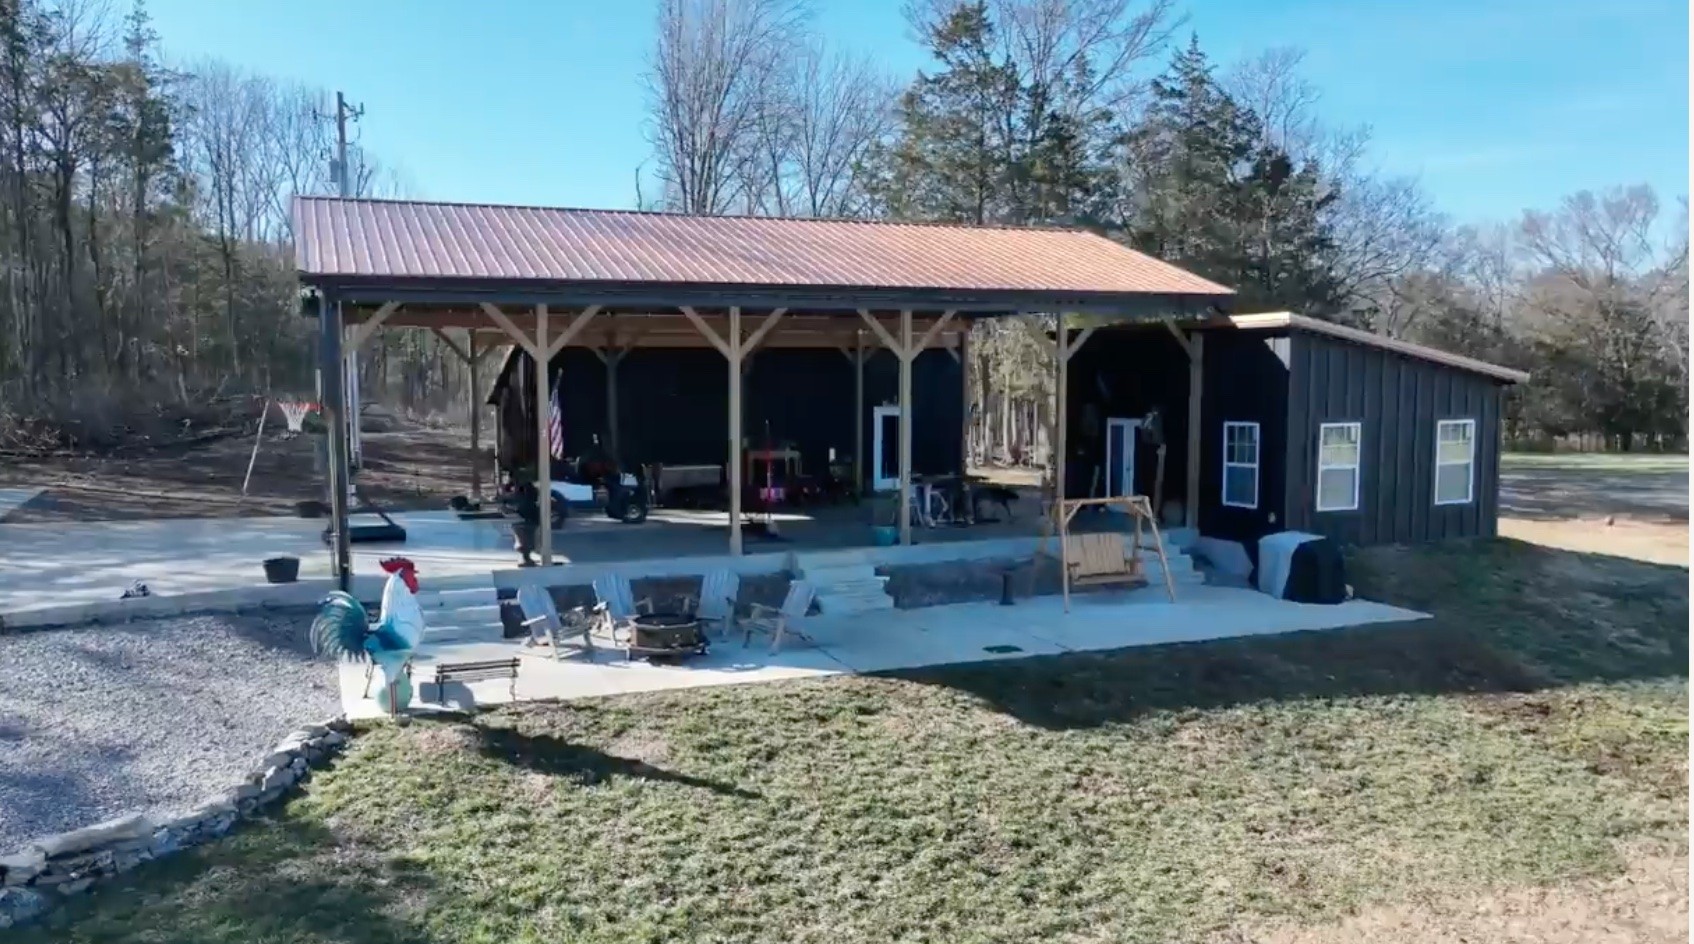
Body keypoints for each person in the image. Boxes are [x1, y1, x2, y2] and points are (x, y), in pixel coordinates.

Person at [511, 482, 541, 567]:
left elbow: (523, 512)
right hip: (532, 523)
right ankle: (526, 557)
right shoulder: (531, 501)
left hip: (528, 524)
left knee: (524, 540)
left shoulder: (525, 502)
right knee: (527, 541)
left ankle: (526, 557)